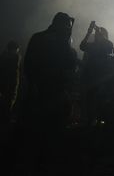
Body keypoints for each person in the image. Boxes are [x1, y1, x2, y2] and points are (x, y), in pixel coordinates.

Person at [23, 12, 77, 173]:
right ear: (62, 25)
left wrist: (32, 84)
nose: (68, 28)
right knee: (51, 132)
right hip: (54, 92)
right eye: (67, 25)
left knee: (35, 132)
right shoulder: (62, 42)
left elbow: (28, 64)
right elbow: (69, 66)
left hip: (38, 90)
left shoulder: (37, 37)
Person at [80, 21, 114, 126]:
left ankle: (99, 121)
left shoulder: (107, 44)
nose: (97, 35)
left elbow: (109, 46)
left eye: (100, 34)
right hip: (91, 76)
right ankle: (90, 121)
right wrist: (89, 32)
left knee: (101, 100)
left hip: (102, 77)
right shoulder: (93, 45)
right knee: (90, 100)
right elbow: (82, 46)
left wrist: (100, 33)